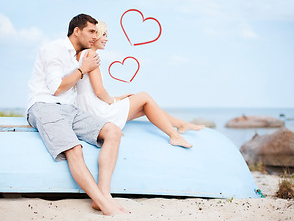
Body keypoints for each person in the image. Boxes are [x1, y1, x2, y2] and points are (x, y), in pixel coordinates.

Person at [27, 14, 127, 215]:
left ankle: (103, 196)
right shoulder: (54, 49)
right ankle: (106, 206)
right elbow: (56, 88)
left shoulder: (80, 54)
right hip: (44, 106)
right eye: (91, 31)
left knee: (113, 132)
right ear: (76, 31)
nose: (95, 36)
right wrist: (83, 70)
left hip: (69, 109)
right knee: (75, 149)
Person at [75, 20, 205, 148]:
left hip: (87, 109)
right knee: (144, 97)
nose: (106, 39)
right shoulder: (91, 54)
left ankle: (181, 124)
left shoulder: (79, 55)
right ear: (95, 35)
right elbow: (98, 91)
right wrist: (113, 101)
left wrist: (118, 98)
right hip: (97, 112)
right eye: (103, 35)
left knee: (145, 108)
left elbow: (89, 90)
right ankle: (174, 136)